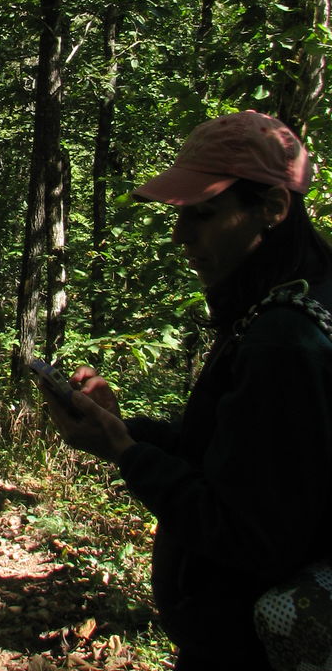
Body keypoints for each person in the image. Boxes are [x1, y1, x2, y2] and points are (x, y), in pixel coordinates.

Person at [37, 111, 332, 670]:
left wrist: (126, 453)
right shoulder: (295, 299)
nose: (180, 235)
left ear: (272, 208)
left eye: (204, 214)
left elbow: (246, 535)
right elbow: (237, 462)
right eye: (180, 213)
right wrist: (128, 432)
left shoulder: (286, 338)